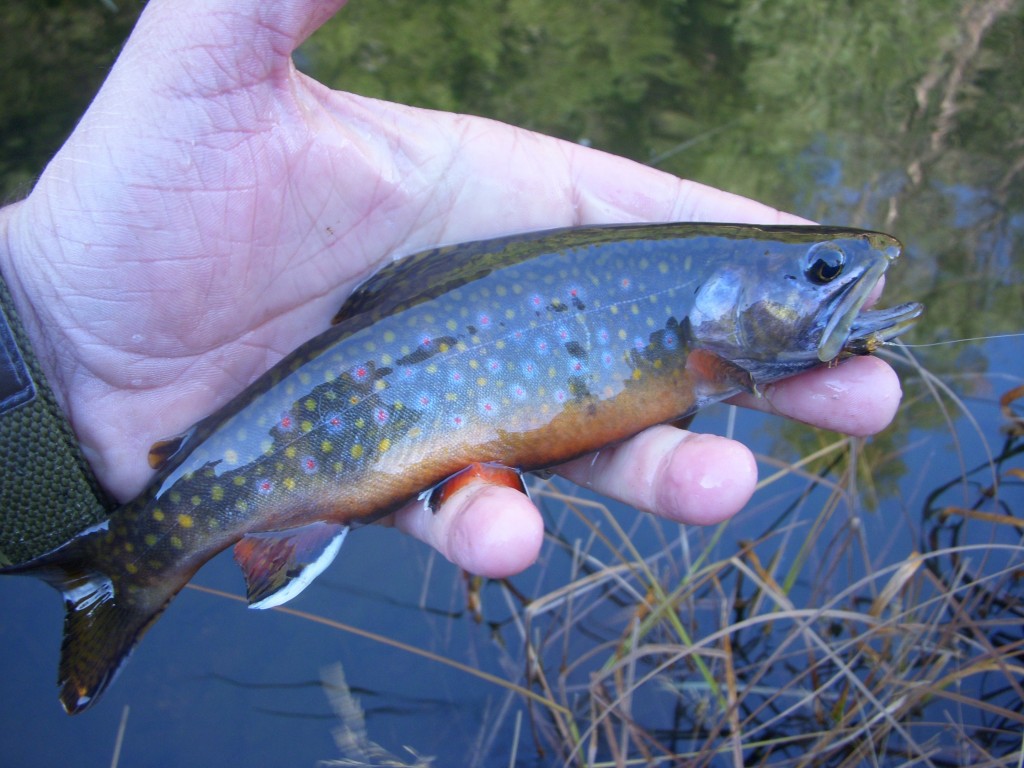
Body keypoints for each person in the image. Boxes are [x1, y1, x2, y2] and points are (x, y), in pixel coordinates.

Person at [0, 0, 903, 578]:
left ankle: (123, 560)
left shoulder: (706, 344)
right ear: (720, 298)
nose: (850, 274)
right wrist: (43, 321)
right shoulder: (700, 344)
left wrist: (39, 348)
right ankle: (123, 567)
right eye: (820, 272)